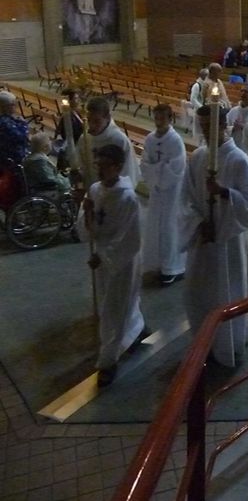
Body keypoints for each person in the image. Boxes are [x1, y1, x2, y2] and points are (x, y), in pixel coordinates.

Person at [180, 105, 248, 367]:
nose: (204, 130)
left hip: (228, 241)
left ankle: (227, 345)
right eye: (201, 125)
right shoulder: (198, 157)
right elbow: (187, 197)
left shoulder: (238, 159)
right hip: (202, 237)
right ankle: (203, 343)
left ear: (224, 125)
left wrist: (224, 193)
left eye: (209, 125)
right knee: (197, 291)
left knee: (226, 290)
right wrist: (199, 222)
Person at [77, 145, 146, 387]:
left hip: (122, 260)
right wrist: (86, 214)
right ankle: (137, 328)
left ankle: (108, 361)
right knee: (113, 303)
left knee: (113, 309)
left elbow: (130, 238)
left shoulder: (127, 197)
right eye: (97, 165)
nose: (99, 170)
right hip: (103, 257)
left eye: (104, 165)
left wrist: (104, 256)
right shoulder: (95, 190)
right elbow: (89, 230)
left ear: (117, 166)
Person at [140, 104, 187, 286]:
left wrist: (157, 173)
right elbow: (144, 163)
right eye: (156, 118)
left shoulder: (175, 140)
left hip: (172, 192)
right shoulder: (150, 139)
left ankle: (173, 267)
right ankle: (157, 263)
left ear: (170, 118)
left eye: (162, 118)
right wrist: (156, 175)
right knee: (155, 227)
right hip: (157, 191)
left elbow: (177, 166)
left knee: (170, 227)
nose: (158, 122)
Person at [75, 96, 140, 189]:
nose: (91, 126)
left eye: (97, 121)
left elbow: (127, 173)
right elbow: (80, 164)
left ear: (107, 117)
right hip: (92, 190)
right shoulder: (85, 138)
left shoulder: (119, 140)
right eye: (89, 120)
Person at [0, 90, 29, 167]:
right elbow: (22, 137)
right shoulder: (5, 122)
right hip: (13, 157)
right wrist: (23, 123)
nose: (15, 106)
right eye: (13, 104)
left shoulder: (8, 119)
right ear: (5, 107)